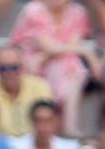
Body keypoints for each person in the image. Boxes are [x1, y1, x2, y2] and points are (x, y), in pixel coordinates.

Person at [12, 0, 94, 131]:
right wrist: (86, 53)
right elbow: (47, 46)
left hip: (59, 62)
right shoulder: (33, 10)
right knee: (66, 66)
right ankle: (65, 126)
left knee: (70, 66)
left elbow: (73, 44)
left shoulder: (78, 11)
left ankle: (64, 125)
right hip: (31, 64)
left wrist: (45, 56)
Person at [0, 45, 53, 137]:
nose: (9, 73)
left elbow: (47, 124)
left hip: (33, 145)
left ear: (22, 67)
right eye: (3, 68)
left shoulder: (40, 87)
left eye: (14, 67)